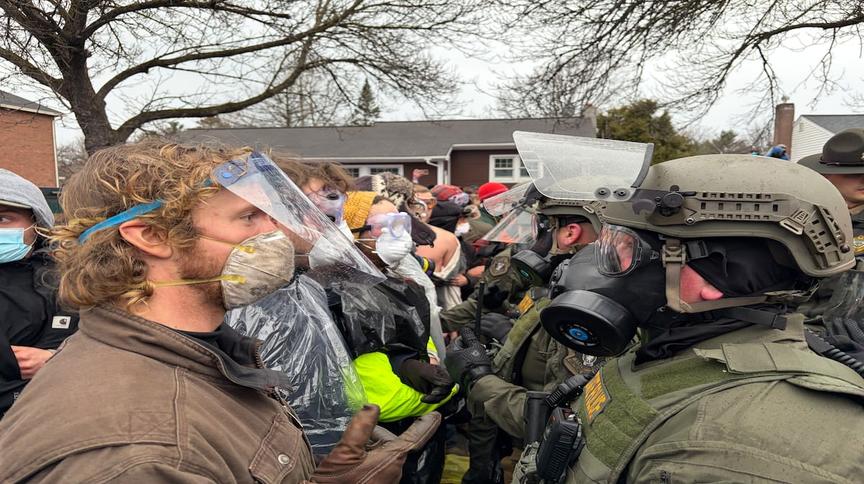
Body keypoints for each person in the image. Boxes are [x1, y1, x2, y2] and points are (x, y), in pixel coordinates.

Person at [0, 142, 439, 482]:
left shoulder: (198, 356)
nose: (277, 231)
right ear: (151, 236)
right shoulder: (140, 453)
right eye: (249, 217)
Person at [488, 153, 864, 483]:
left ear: (714, 277)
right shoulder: (671, 350)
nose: (607, 264)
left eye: (628, 248)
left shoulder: (741, 447)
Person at [446, 201, 601, 484]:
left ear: (570, 233)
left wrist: (480, 380)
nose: (537, 240)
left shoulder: (581, 308)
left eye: (543, 229)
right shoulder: (556, 288)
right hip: (513, 436)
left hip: (537, 458)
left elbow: (563, 419)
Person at [0, 169, 78, 419]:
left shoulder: (72, 280)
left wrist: (55, 359)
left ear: (37, 224)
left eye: (3, 218)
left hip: (42, 419)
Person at [798, 128, 864, 360]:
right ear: (827, 175)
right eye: (853, 173)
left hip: (852, 343)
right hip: (793, 332)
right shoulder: (796, 218)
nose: (863, 179)